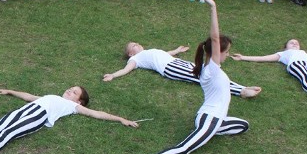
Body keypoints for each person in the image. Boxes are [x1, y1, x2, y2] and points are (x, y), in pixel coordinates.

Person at [120, 0, 249, 154]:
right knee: (184, 148)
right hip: (210, 118)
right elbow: (215, 38)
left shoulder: (206, 68)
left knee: (243, 125)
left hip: (211, 118)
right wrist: (213, 7)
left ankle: (210, 131)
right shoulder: (212, 68)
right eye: (226, 52)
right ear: (217, 52)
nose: (227, 55)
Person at [0, 85, 137, 154]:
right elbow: (29, 97)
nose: (69, 91)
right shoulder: (52, 96)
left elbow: (96, 113)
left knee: (8, 133)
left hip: (39, 116)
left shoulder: (73, 107)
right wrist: (10, 91)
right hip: (24, 110)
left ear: (79, 102)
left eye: (74, 92)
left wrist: (121, 119)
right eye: (70, 88)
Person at [103, 41, 261, 98]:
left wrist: (177, 50)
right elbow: (126, 69)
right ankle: (240, 92)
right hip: (171, 68)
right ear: (131, 53)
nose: (137, 44)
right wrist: (113, 75)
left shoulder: (149, 51)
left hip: (176, 62)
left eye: (136, 42)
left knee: (211, 71)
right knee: (204, 77)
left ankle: (241, 87)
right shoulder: (135, 59)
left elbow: (165, 54)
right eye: (133, 46)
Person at [231, 39, 307, 100]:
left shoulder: (304, 53)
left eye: (297, 43)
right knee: (305, 77)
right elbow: (263, 58)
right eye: (291, 43)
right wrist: (243, 57)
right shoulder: (283, 54)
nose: (295, 44)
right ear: (285, 48)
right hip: (295, 65)